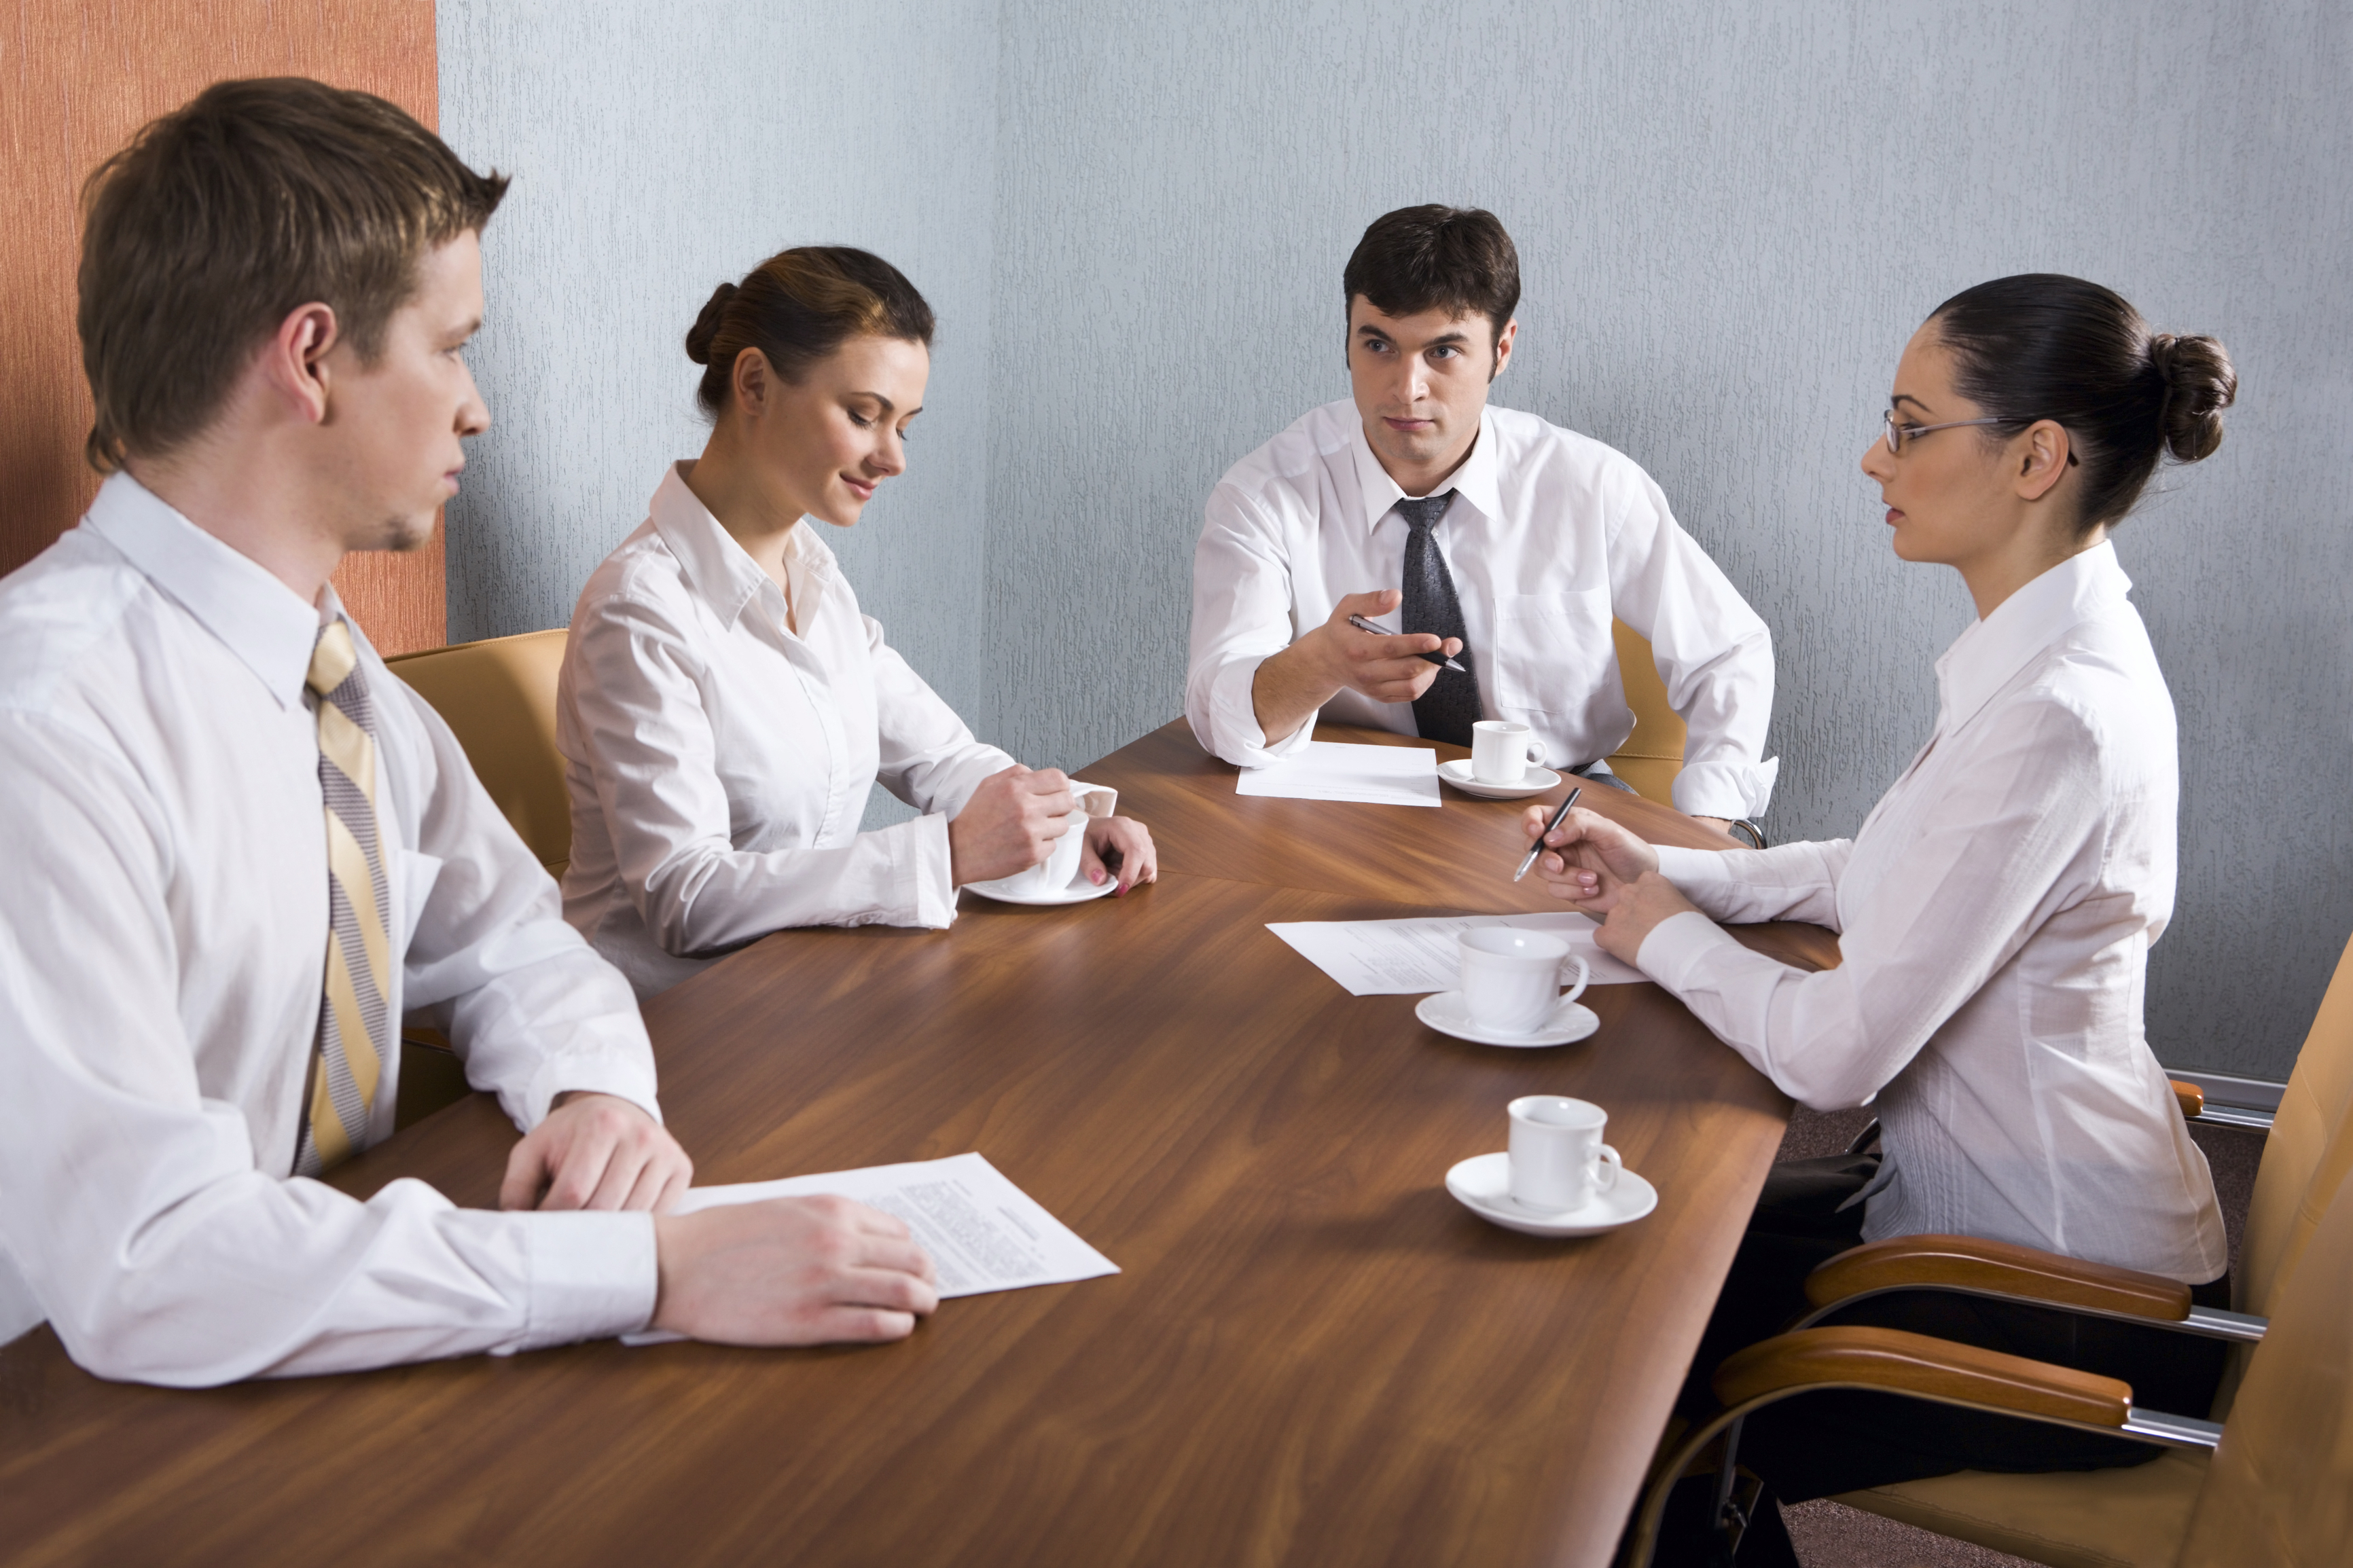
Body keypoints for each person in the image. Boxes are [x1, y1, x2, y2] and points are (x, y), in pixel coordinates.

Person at [0, 79, 940, 1386]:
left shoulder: (340, 683)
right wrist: (652, 1268)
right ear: (311, 357)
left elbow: (514, 941)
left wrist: (592, 1092)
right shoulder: (42, 727)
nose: (477, 406)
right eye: (451, 346)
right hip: (78, 1412)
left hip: (322, 1357)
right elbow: (153, 1264)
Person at [1522, 276, 2237, 1563]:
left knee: (1618, 1390)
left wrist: (1651, 932)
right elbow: (1881, 872)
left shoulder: (2056, 711)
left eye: (1908, 426)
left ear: (2034, 457)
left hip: (2065, 1297)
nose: (1873, 456)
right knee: (1624, 1264)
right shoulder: (2044, 655)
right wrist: (1676, 872)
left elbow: (1832, 1054)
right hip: (1977, 1214)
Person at [557, 247, 1156, 998]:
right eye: (864, 416)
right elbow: (688, 899)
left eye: (904, 425)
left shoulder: (813, 578)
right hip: (666, 1035)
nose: (893, 458)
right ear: (754, 385)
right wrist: (942, 855)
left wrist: (1066, 821)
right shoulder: (640, 610)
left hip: (801, 1001)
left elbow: (941, 757)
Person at [1185, 204, 1778, 840]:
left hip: (1559, 803)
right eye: (1378, 344)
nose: (1405, 387)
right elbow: (1222, 719)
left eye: (1443, 351)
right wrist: (1320, 664)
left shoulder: (1590, 485)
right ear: (1347, 339)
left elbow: (1728, 651)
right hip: (1346, 809)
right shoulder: (1265, 494)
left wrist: (1709, 829)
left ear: (1501, 350)